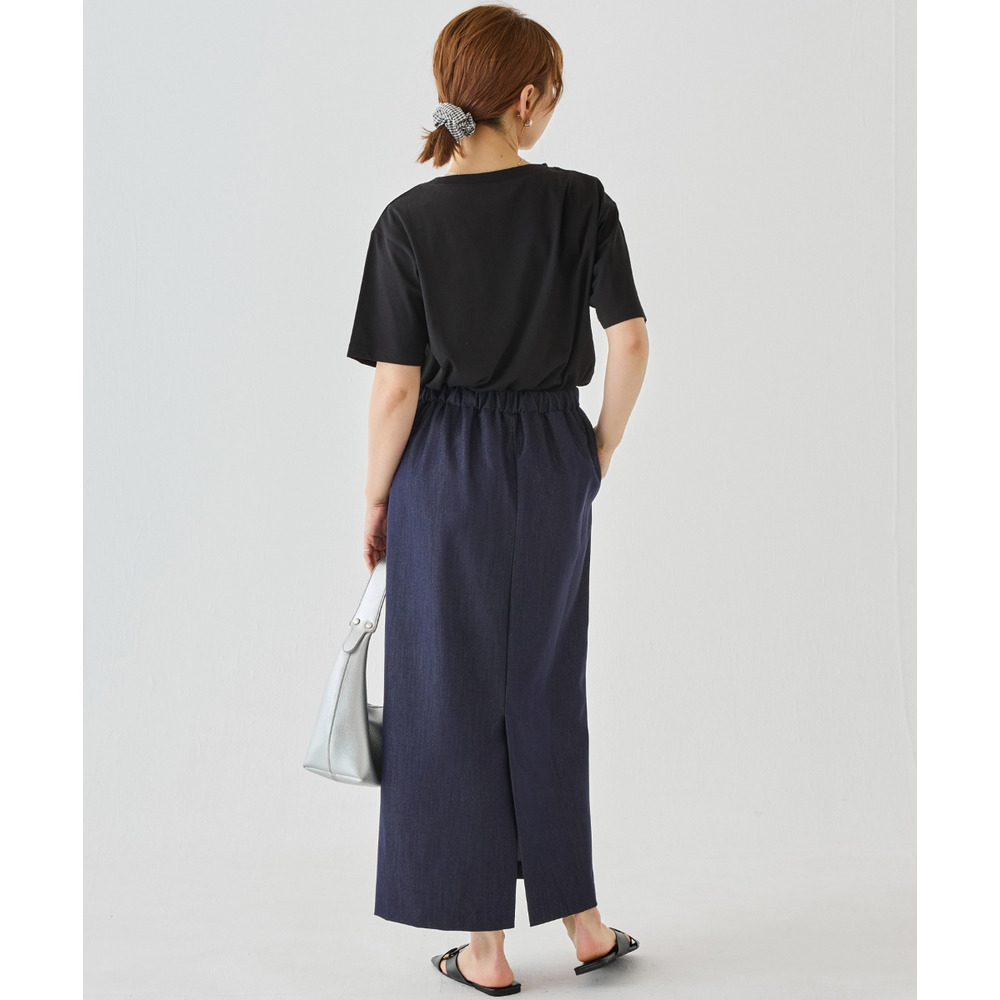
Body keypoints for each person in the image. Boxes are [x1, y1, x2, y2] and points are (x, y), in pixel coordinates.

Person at [346, 5, 648, 994]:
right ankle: (585, 925)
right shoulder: (582, 202)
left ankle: (484, 951)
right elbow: (630, 341)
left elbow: (396, 389)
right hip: (553, 454)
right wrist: (596, 446)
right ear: (525, 98)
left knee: (449, 695)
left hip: (446, 467)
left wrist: (377, 498)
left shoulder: (408, 222)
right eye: (553, 90)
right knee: (546, 685)